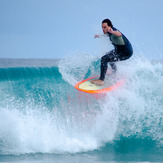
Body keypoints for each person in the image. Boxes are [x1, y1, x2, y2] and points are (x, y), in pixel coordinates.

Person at [91, 19, 133, 85]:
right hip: (118, 50)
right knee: (107, 56)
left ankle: (101, 80)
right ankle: (115, 72)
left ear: (110, 26)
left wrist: (113, 32)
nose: (103, 29)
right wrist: (99, 36)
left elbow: (119, 34)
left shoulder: (114, 31)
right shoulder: (109, 32)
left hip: (126, 52)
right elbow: (107, 35)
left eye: (105, 27)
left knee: (104, 58)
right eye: (102, 27)